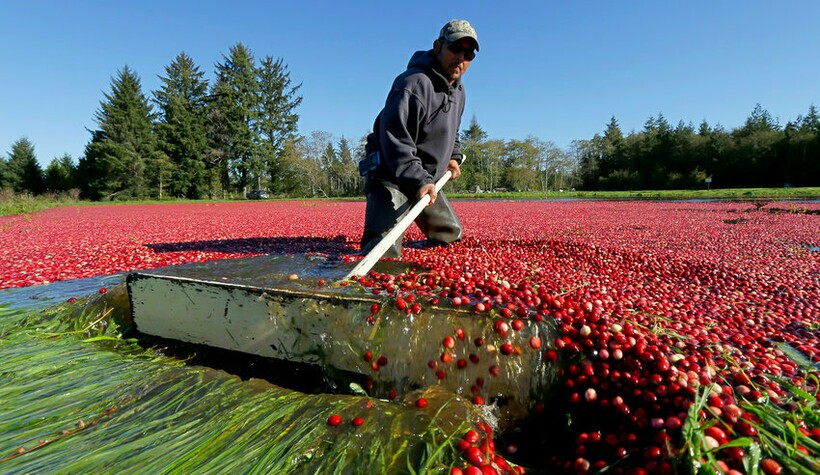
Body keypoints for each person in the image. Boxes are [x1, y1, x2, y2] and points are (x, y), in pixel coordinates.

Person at [359, 19, 479, 258]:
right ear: (438, 47)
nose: (461, 58)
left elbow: (453, 130)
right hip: (391, 173)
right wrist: (418, 180)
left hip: (427, 178)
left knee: (449, 235)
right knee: (383, 253)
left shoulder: (459, 91)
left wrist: (453, 156)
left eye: (468, 54)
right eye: (455, 49)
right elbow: (395, 139)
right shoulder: (412, 84)